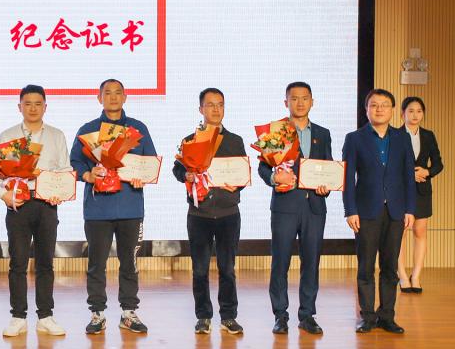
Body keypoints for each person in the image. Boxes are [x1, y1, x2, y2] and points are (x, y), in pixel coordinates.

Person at [70, 79, 157, 335]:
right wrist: (87, 175)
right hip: (98, 209)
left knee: (129, 262)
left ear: (125, 97)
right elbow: (75, 162)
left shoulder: (138, 129)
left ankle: (129, 312)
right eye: (107, 93)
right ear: (99, 98)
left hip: (131, 207)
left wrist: (142, 176)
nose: (113, 97)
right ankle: (97, 313)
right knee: (96, 263)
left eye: (118, 92)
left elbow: (150, 162)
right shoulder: (88, 131)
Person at [0, 85, 70, 337]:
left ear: (45, 107)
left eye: (38, 103)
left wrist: (60, 191)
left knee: (46, 263)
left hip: (47, 204)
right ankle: (18, 316)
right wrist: (3, 194)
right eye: (27, 103)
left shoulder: (56, 135)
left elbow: (65, 169)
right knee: (18, 263)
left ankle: (45, 316)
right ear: (20, 107)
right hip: (18, 205)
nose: (33, 108)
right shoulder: (8, 135)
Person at [259, 82, 333, 335]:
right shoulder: (276, 131)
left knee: (311, 262)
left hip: (314, 206)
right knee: (280, 261)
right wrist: (274, 178)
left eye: (305, 98)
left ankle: (307, 315)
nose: (300, 103)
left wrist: (327, 186)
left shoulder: (323, 133)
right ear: (286, 102)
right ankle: (280, 315)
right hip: (285, 206)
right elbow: (263, 167)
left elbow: (328, 166)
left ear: (312, 101)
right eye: (294, 98)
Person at [172, 88, 247, 335]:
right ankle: (203, 316)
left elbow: (242, 173)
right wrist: (186, 174)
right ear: (200, 109)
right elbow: (177, 169)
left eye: (220, 104)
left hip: (228, 214)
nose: (216, 109)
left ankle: (229, 316)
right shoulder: (190, 140)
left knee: (228, 269)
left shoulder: (235, 141)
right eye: (210, 105)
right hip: (199, 214)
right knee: (200, 269)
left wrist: (237, 183)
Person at [343, 89, 416, 334]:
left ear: (393, 110)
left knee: (390, 266)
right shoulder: (354, 139)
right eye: (374, 105)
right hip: (365, 212)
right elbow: (347, 178)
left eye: (384, 105)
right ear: (366, 110)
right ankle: (367, 316)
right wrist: (350, 210)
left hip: (396, 211)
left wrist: (410, 209)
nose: (379, 109)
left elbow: (408, 176)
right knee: (365, 267)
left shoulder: (402, 138)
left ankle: (387, 316)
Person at [397, 96, 443, 294]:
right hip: (400, 190)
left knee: (420, 231)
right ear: (402, 114)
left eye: (419, 111)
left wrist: (428, 171)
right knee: (400, 233)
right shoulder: (395, 134)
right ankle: (402, 276)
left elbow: (439, 163)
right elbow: (390, 165)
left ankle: (416, 276)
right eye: (410, 111)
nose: (415, 115)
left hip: (422, 190)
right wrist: (409, 174)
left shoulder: (428, 135)